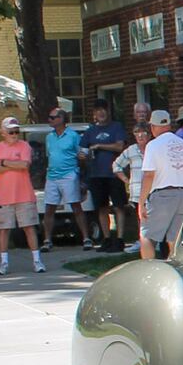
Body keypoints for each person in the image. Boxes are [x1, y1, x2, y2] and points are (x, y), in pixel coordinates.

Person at [138, 110, 183, 259]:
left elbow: (149, 175)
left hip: (162, 195)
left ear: (153, 126)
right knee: (174, 239)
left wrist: (141, 202)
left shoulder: (153, 145)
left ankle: (148, 272)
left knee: (146, 235)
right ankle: (177, 271)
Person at [0, 118, 45, 274]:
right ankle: (3, 263)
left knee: (29, 227)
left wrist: (3, 162)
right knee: (4, 229)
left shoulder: (24, 146)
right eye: (11, 131)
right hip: (3, 195)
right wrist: (12, 164)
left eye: (16, 131)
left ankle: (37, 261)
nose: (14, 134)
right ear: (3, 132)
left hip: (24, 195)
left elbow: (25, 165)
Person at [40, 107, 91, 253]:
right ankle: (47, 240)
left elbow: (82, 154)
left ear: (61, 119)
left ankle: (86, 238)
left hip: (69, 174)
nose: (49, 120)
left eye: (52, 117)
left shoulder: (73, 136)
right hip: (52, 175)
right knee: (49, 207)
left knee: (75, 205)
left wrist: (80, 172)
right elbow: (49, 156)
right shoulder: (49, 137)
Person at [80, 98, 128, 251]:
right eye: (97, 110)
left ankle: (120, 239)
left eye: (103, 109)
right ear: (94, 113)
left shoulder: (116, 127)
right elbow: (82, 151)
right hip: (96, 174)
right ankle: (107, 239)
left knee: (119, 206)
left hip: (114, 173)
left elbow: (120, 146)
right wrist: (83, 155)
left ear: (108, 111)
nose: (101, 112)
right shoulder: (90, 131)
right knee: (101, 207)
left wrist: (100, 145)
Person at [113, 123, 152, 254]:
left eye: (143, 132)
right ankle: (141, 242)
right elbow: (116, 165)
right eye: (137, 132)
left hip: (154, 190)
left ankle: (155, 242)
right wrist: (126, 180)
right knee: (141, 218)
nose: (140, 135)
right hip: (137, 191)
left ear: (149, 134)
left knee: (155, 217)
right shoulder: (130, 150)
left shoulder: (154, 148)